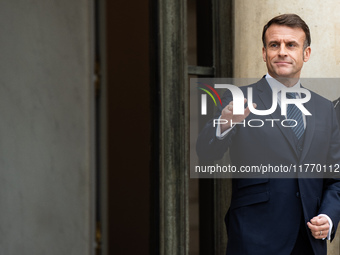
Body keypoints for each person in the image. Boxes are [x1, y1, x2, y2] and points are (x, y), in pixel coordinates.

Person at [196, 14, 340, 255]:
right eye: (274, 45)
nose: (282, 52)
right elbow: (206, 152)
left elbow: (335, 178)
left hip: (309, 240)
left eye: (291, 45)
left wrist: (328, 216)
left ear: (306, 53)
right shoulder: (237, 98)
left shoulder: (325, 108)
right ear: (264, 53)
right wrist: (224, 124)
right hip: (254, 238)